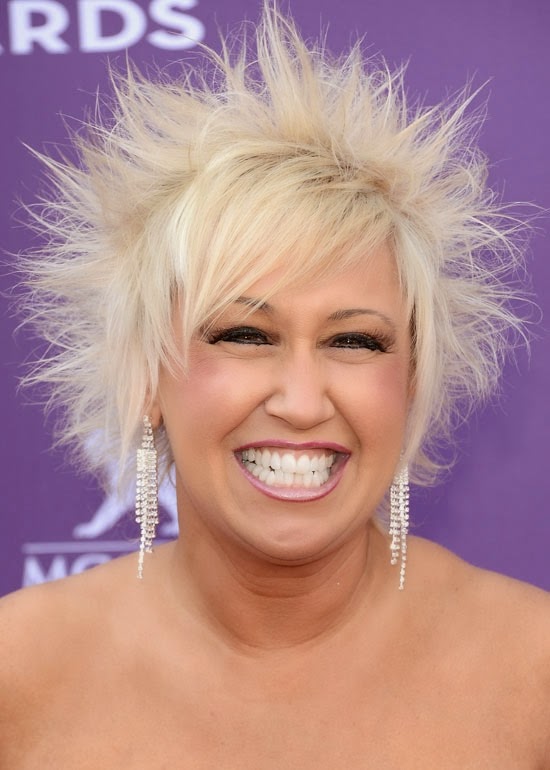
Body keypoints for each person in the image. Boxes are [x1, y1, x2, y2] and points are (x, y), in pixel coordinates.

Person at [1, 5, 549, 767]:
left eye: (354, 342)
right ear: (147, 376)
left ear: (412, 383)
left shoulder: (533, 673)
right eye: (244, 335)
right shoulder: (18, 674)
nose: (300, 401)